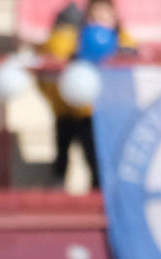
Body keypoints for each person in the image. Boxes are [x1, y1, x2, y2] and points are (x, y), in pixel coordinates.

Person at [38, 0, 135, 189]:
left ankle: (99, 194)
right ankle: (58, 187)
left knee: (97, 162)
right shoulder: (75, 41)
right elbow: (52, 64)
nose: (98, 22)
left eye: (104, 17)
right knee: (62, 152)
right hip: (72, 109)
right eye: (93, 17)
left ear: (114, 18)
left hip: (105, 114)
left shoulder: (124, 42)